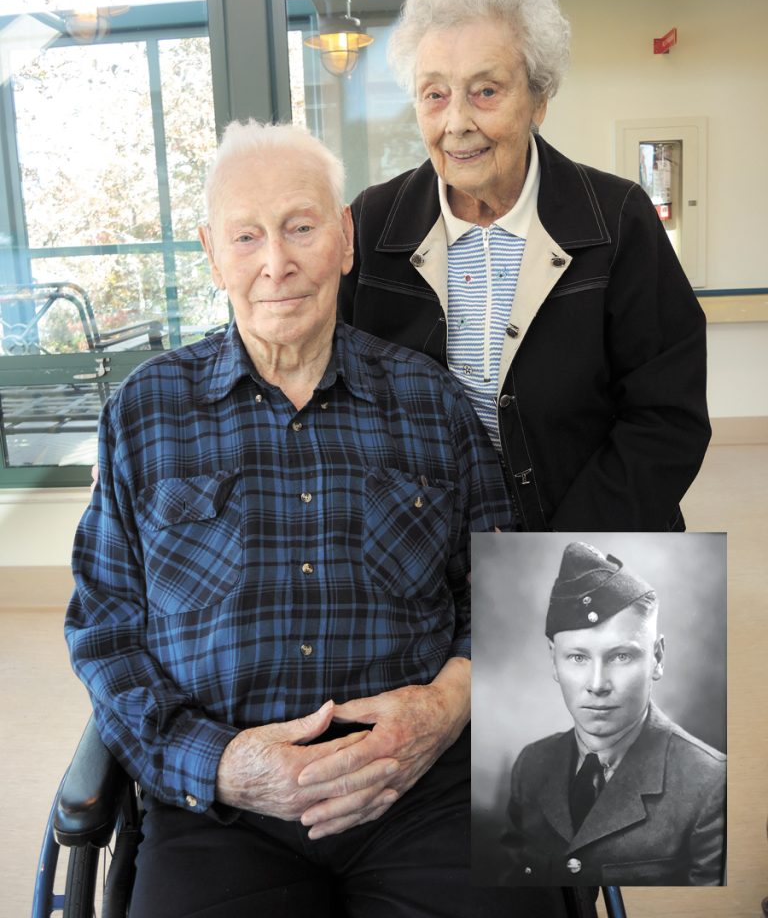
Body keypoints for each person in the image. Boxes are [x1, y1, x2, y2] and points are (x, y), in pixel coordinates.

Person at [64, 119, 571, 917]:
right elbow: (105, 633)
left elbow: (504, 596)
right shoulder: (144, 413)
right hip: (222, 807)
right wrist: (218, 763)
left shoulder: (430, 401)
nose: (277, 263)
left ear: (344, 240)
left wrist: (444, 709)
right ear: (212, 253)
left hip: (422, 784)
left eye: (301, 227)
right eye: (246, 236)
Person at [338, 0, 710, 532]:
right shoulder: (372, 223)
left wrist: (555, 560)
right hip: (426, 554)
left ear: (539, 100)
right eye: (434, 94)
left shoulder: (617, 219)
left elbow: (666, 418)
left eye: (486, 91)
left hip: (589, 542)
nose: (456, 122)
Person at [500, 540, 726, 887]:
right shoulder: (531, 765)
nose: (597, 684)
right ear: (553, 660)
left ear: (657, 659)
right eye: (578, 657)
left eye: (621, 656)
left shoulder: (711, 784)